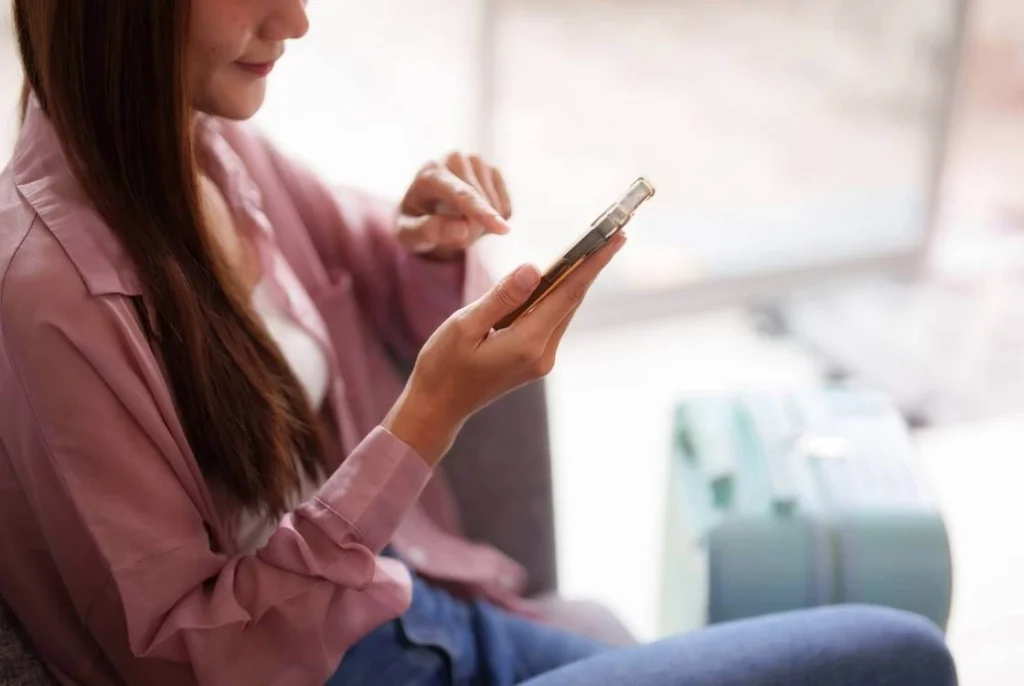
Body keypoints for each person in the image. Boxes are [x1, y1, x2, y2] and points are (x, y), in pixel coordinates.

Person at [0, 1, 957, 685]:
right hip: (349, 664)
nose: (296, 19)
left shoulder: (203, 143)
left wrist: (426, 235)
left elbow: (362, 255)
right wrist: (428, 418)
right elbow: (186, 656)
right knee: (900, 653)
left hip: (422, 618)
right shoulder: (51, 296)